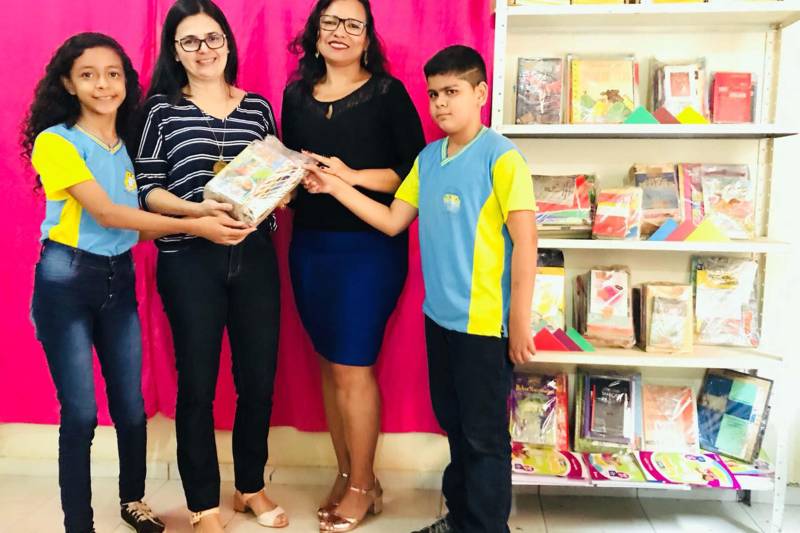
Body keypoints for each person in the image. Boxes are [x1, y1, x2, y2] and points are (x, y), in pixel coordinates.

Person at [22, 32, 253, 533]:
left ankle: (133, 500)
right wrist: (197, 224)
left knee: (131, 408)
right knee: (82, 414)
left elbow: (146, 202)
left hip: (119, 280)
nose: (103, 85)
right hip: (67, 281)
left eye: (113, 74)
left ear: (127, 80)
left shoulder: (126, 143)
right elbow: (109, 215)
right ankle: (78, 523)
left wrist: (201, 208)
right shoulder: (56, 141)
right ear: (67, 83)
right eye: (88, 75)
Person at [303, 45, 538, 533]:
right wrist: (335, 185)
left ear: (480, 93)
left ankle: (488, 527)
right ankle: (461, 519)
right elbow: (391, 220)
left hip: (485, 326)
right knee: (456, 430)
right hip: (440, 320)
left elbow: (526, 246)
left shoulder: (503, 158)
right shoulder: (429, 159)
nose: (440, 104)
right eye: (433, 94)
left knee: (485, 440)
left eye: (452, 92)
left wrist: (518, 326)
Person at [134, 1, 288, 530]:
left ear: (228, 40)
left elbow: (271, 175)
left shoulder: (259, 109)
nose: (204, 50)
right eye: (190, 41)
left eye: (212, 37)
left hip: (255, 258)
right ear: (175, 52)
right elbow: (149, 193)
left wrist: (281, 189)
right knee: (196, 384)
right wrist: (198, 216)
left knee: (259, 381)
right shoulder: (159, 111)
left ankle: (250, 486)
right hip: (188, 259)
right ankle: (203, 502)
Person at [281, 1, 425, 530]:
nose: (340, 32)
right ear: (315, 33)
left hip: (366, 252)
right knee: (328, 363)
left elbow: (414, 174)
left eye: (353, 25)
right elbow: (292, 171)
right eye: (331, 23)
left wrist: (349, 174)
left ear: (368, 38)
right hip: (309, 248)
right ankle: (349, 474)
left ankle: (364, 484)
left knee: (353, 366)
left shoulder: (387, 93)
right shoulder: (295, 96)